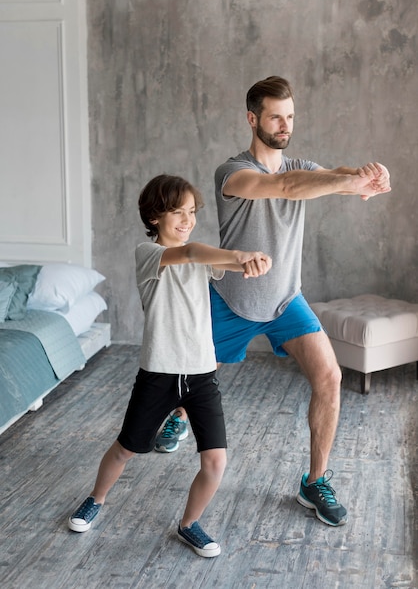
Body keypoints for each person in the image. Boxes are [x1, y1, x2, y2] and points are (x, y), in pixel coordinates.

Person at [157, 76, 391, 527]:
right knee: (188, 372)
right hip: (231, 300)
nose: (285, 125)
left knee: (330, 376)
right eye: (275, 116)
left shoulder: (301, 166)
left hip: (286, 301)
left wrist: (367, 179)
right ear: (252, 119)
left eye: (290, 117)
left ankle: (315, 481)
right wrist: (341, 180)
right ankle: (178, 415)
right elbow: (289, 188)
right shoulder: (232, 173)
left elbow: (332, 178)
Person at [67, 174, 271, 557]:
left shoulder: (201, 257)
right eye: (177, 211)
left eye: (192, 211)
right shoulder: (148, 254)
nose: (187, 218)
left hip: (201, 374)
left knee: (215, 461)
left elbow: (215, 260)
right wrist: (239, 256)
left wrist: (251, 260)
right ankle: (96, 498)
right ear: (155, 215)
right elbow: (191, 252)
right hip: (158, 373)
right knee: (125, 449)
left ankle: (189, 524)